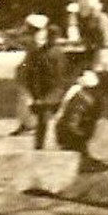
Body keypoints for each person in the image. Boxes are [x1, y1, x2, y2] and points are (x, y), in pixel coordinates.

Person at [19, 16, 69, 151]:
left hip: (49, 93)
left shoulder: (52, 53)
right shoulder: (43, 52)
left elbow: (60, 78)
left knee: (45, 122)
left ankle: (42, 148)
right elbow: (32, 73)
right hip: (45, 93)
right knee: (44, 122)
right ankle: (42, 148)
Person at [54, 69, 105, 168]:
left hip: (68, 131)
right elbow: (72, 123)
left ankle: (79, 151)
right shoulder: (83, 99)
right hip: (70, 133)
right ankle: (76, 153)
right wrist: (80, 134)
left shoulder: (77, 94)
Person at [11, 14, 50, 135]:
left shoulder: (36, 39)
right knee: (24, 97)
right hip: (29, 71)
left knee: (27, 97)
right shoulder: (37, 38)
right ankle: (26, 124)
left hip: (32, 73)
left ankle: (29, 125)